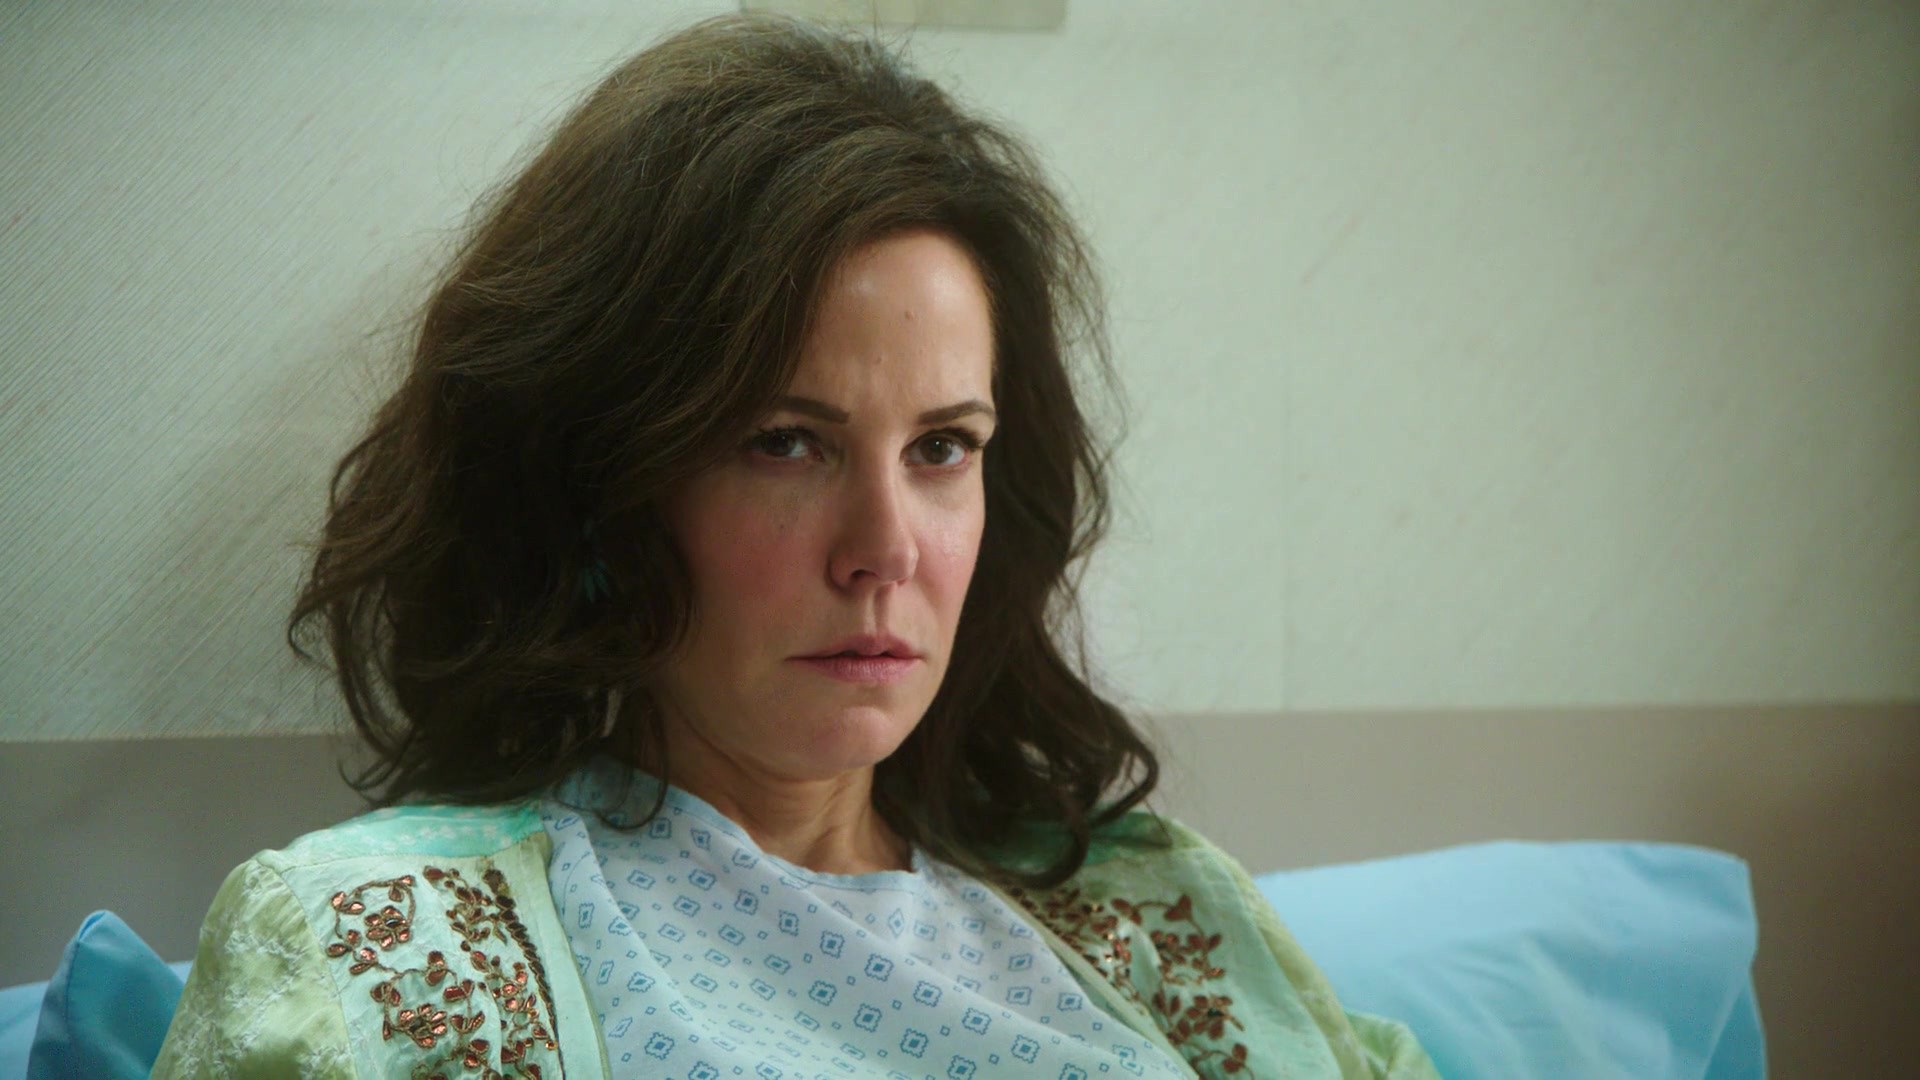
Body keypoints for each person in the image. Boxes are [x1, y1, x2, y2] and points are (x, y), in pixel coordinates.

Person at [153, 12, 1438, 1078]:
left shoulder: (1153, 918)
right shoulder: (375, 948)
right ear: (603, 482)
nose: (885, 551)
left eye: (943, 448)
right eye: (786, 443)